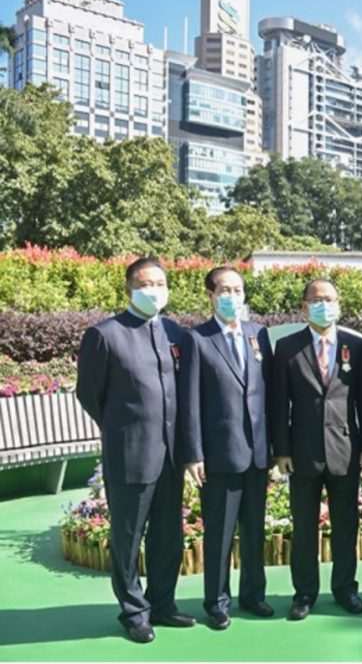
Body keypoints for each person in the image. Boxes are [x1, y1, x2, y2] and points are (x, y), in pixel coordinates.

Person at [76, 257, 196, 644]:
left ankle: (163, 604)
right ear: (129, 288)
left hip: (170, 456)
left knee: (167, 536)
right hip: (130, 455)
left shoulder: (175, 332)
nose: (155, 290)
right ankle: (133, 611)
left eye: (160, 283)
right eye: (146, 284)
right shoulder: (105, 334)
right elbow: (90, 395)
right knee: (128, 538)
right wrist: (123, 430)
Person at [179, 266, 275, 630]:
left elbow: (265, 392)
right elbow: (189, 400)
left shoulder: (258, 335)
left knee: (254, 529)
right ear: (210, 295)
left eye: (238, 289)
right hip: (219, 455)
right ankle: (217, 602)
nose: (233, 296)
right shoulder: (197, 339)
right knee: (219, 532)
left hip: (257, 452)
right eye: (225, 290)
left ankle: (254, 594)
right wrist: (194, 453)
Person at [270, 279, 362, 620]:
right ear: (303, 306)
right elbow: (278, 403)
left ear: (339, 303)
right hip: (302, 452)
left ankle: (345, 589)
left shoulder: (357, 345)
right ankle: (304, 593)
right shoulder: (287, 348)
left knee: (346, 526)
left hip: (345, 448)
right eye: (316, 300)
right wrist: (280, 450)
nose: (323, 305)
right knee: (304, 528)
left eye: (329, 299)